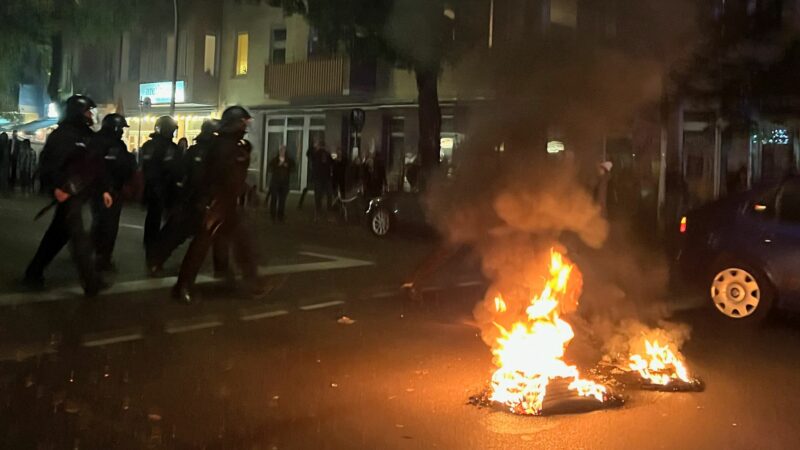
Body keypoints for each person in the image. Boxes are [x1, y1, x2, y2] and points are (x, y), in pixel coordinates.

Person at [173, 106, 268, 303]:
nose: (245, 126)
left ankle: (252, 282)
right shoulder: (221, 146)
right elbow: (211, 176)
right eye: (243, 122)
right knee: (201, 246)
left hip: (227, 204)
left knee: (242, 242)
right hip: (215, 204)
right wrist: (207, 201)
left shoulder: (232, 145)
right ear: (235, 124)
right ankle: (183, 287)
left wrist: (247, 191)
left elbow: (234, 177)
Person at [23, 95, 113, 296]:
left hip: (80, 193)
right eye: (88, 111)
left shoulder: (87, 136)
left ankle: (33, 272)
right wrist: (56, 187)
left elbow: (96, 165)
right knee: (79, 238)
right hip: (67, 194)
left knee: (57, 235)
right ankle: (91, 282)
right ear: (78, 112)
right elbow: (49, 165)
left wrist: (104, 188)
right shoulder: (63, 135)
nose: (91, 115)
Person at [146, 119, 229, 276]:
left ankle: (157, 261)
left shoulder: (196, 151)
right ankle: (162, 264)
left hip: (196, 200)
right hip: (197, 201)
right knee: (182, 233)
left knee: (210, 233)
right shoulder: (208, 153)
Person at [90, 114, 136, 272]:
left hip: (104, 189)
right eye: (121, 128)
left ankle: (96, 254)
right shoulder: (108, 144)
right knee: (108, 226)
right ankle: (102, 258)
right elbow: (115, 166)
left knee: (101, 223)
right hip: (108, 190)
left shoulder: (101, 141)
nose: (122, 132)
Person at [140, 115, 179, 262]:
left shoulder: (148, 145)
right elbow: (174, 170)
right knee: (171, 222)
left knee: (152, 220)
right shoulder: (170, 148)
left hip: (151, 188)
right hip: (166, 189)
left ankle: (151, 248)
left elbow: (145, 167)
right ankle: (157, 252)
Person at [267, 145, 295, 223]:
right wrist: (277, 165)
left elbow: (293, 168)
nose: (282, 151)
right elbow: (269, 168)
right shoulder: (275, 160)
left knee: (282, 201)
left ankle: (280, 216)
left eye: (283, 150)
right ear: (279, 151)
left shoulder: (289, 160)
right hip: (275, 182)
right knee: (274, 199)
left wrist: (288, 166)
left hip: (284, 183)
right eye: (281, 150)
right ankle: (273, 215)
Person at [308, 140, 333, 220]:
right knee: (320, 195)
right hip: (319, 178)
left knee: (325, 195)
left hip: (325, 178)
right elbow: (309, 154)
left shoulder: (325, 154)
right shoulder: (316, 153)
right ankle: (319, 212)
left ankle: (323, 211)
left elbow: (331, 163)